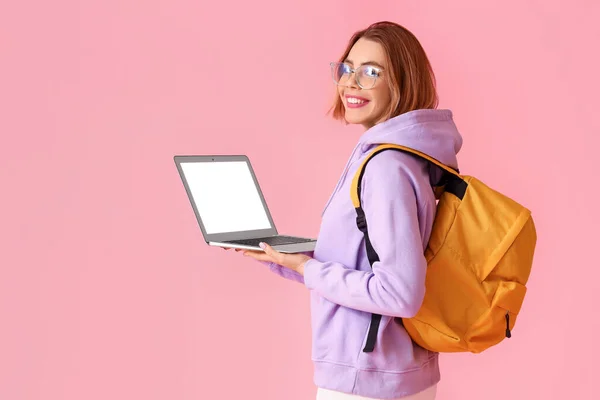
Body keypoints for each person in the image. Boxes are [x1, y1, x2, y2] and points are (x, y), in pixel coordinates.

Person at [238, 21, 463, 400]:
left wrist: (309, 270)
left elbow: (399, 294)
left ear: (402, 83)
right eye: (347, 68)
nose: (351, 82)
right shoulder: (396, 158)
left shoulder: (387, 167)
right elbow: (369, 261)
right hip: (385, 373)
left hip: (368, 381)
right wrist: (287, 259)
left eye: (371, 72)